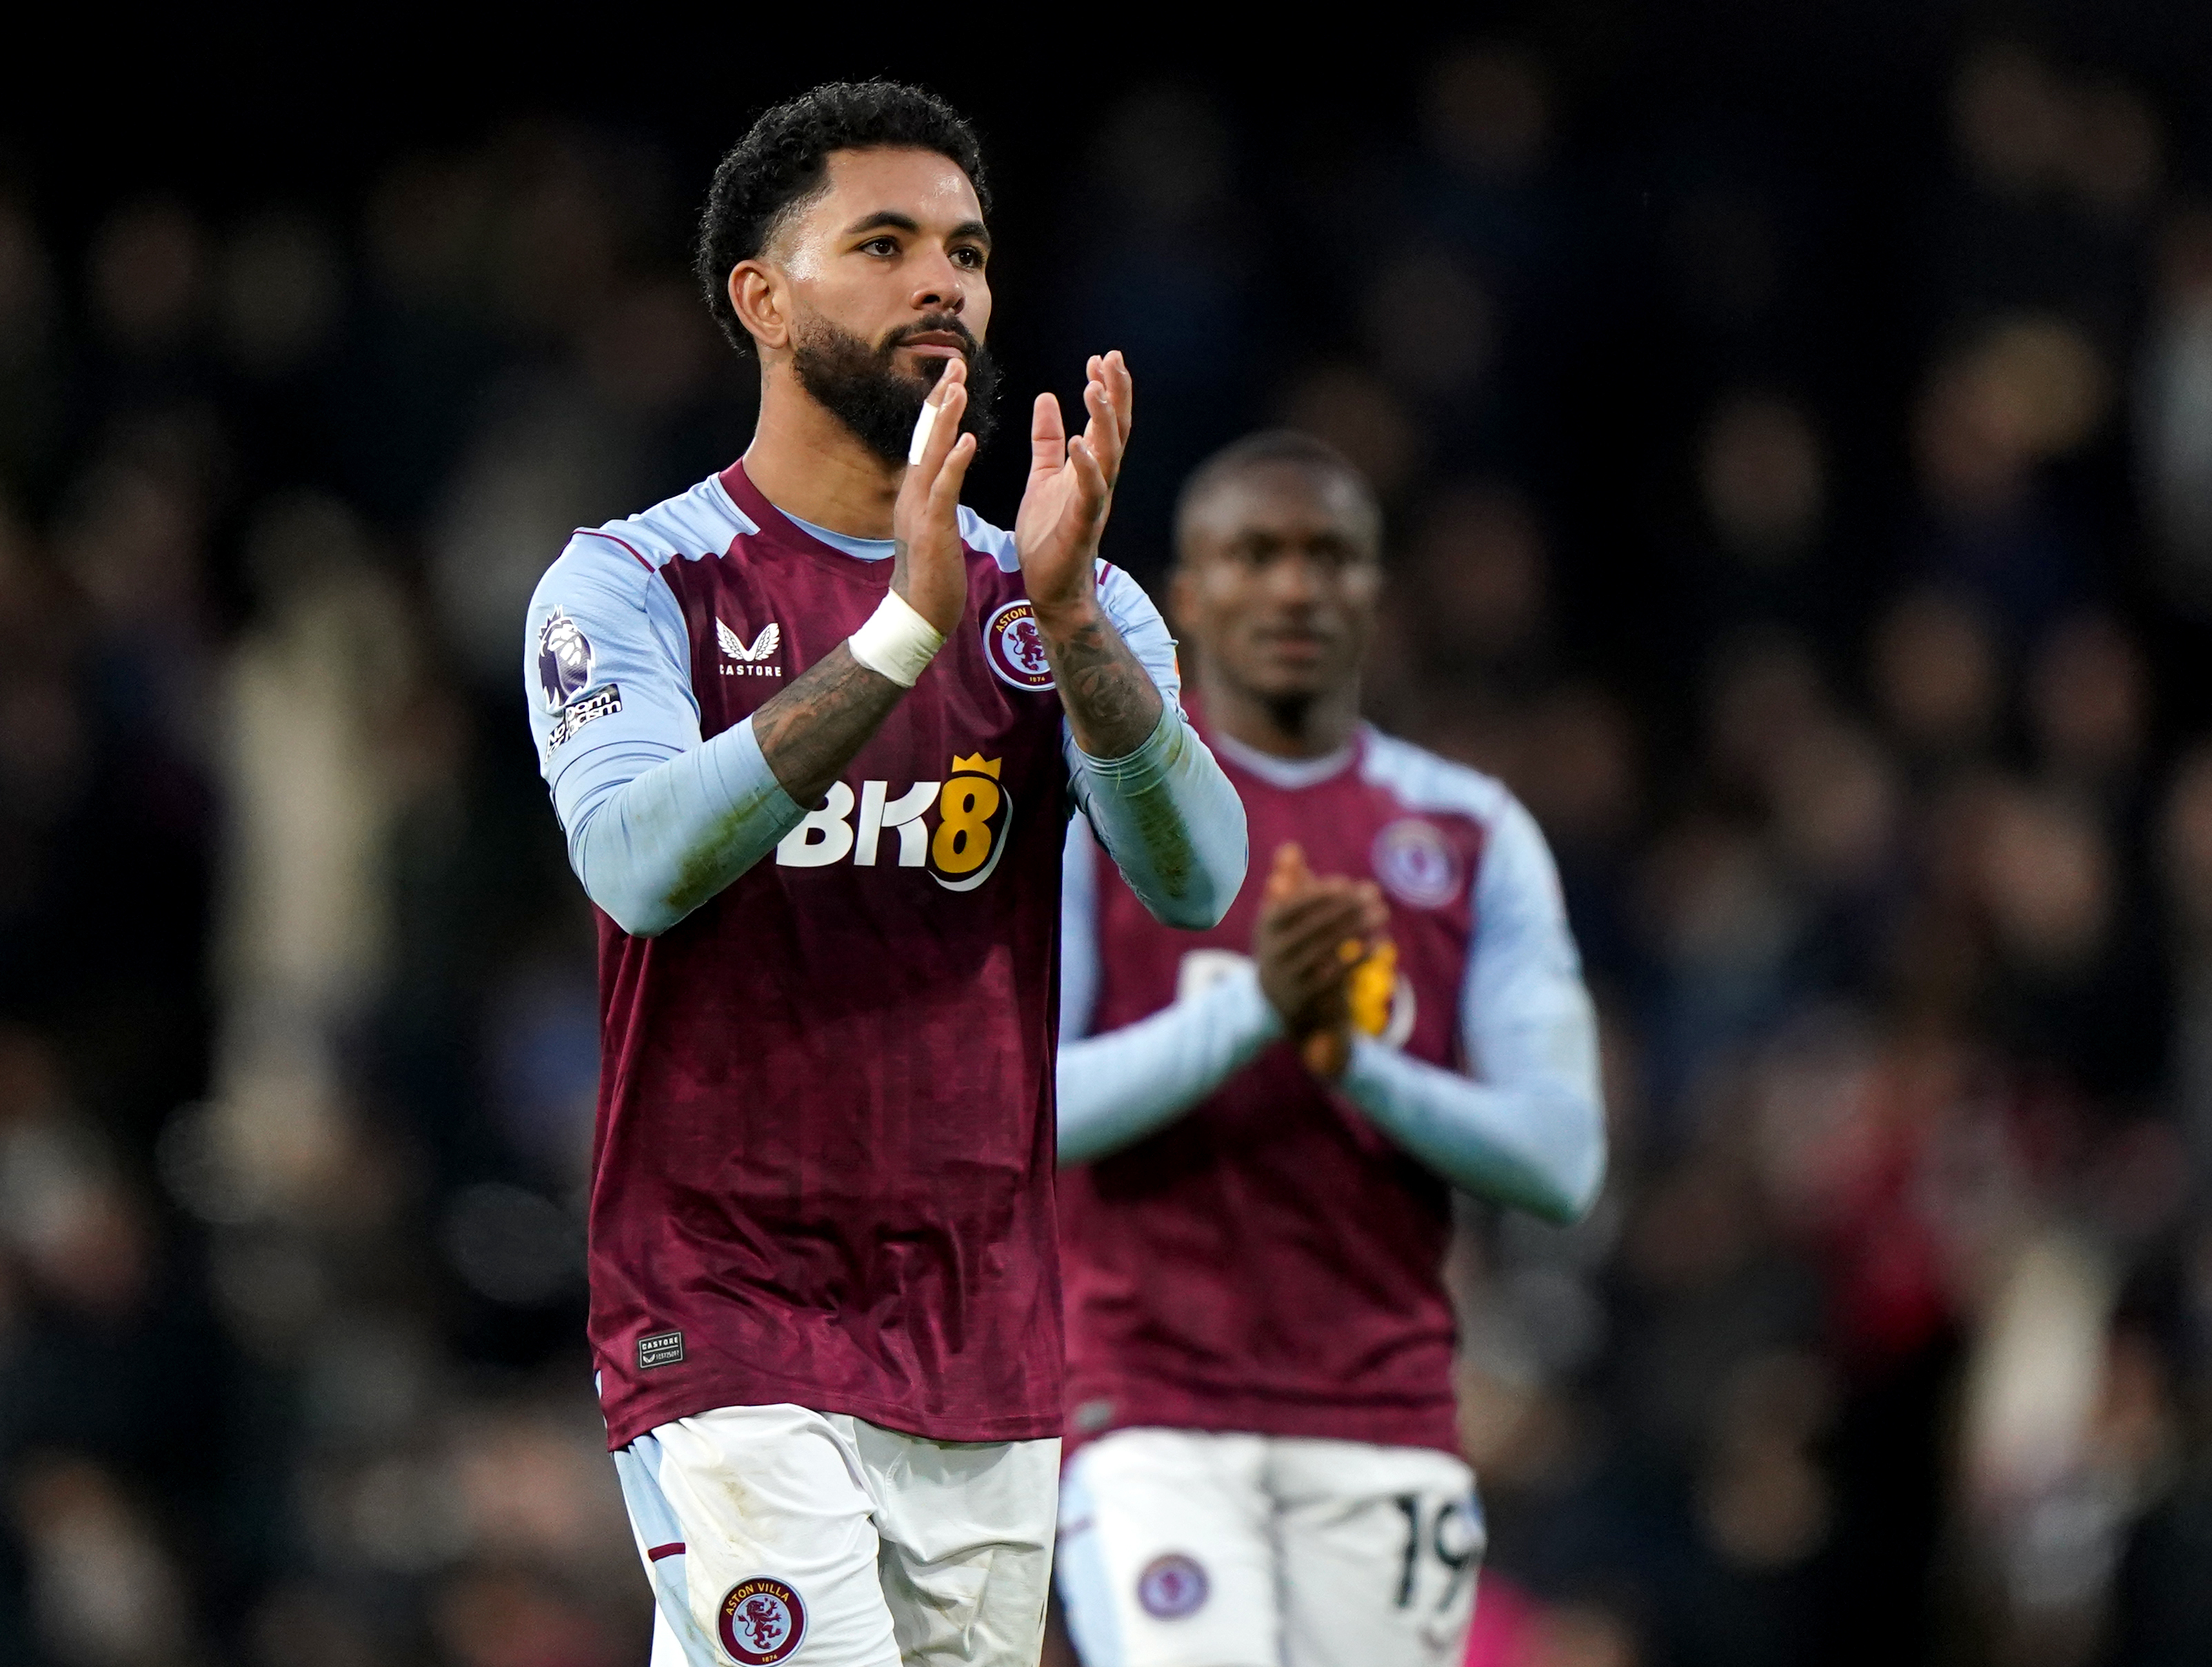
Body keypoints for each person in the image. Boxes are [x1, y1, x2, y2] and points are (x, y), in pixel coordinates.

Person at [521, 82, 1247, 1667]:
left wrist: (1071, 630)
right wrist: (901, 636)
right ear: (762, 300)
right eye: (886, 244)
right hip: (726, 1316)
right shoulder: (635, 581)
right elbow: (635, 865)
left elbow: (1199, 878)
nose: (945, 284)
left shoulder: (1060, 592)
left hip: (982, 1336)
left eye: (967, 252)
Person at [1052, 432, 1605, 1667]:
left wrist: (1354, 1063)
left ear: (1374, 589)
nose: (1295, 587)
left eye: (1330, 556)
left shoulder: (1469, 833)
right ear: (1187, 595)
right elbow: (1022, 1111)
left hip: (1385, 1411)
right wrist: (1253, 1009)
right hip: (1147, 1404)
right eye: (1255, 554)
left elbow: (1563, 1159)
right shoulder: (1094, 812)